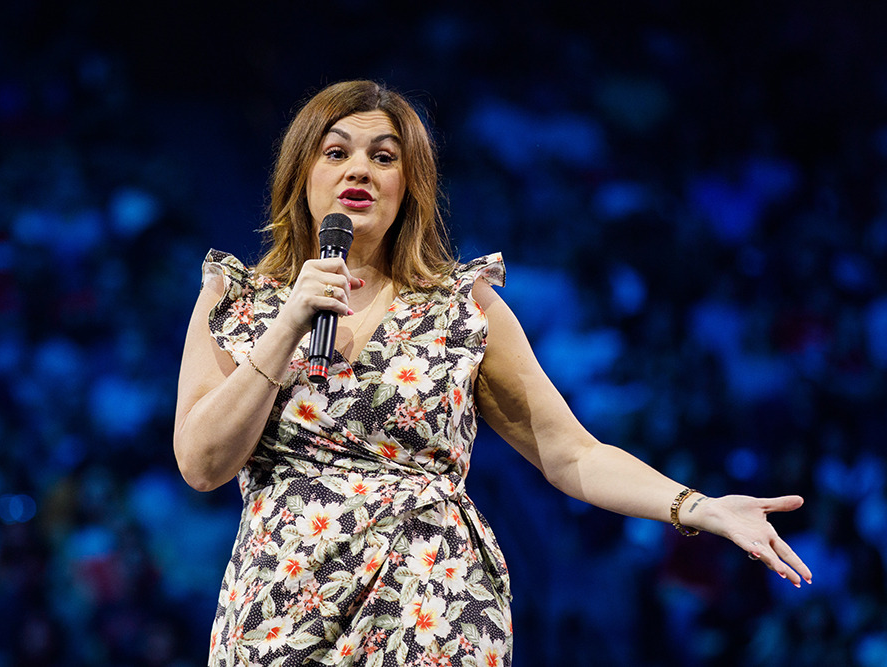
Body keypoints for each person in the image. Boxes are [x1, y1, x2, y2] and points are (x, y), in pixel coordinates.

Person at [173, 80, 811, 666]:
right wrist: (287, 325)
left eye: (385, 156)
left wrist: (700, 508)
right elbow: (202, 464)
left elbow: (572, 454)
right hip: (284, 606)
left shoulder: (463, 307)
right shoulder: (236, 300)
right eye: (336, 151)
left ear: (409, 185)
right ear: (301, 173)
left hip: (434, 605)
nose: (360, 169)